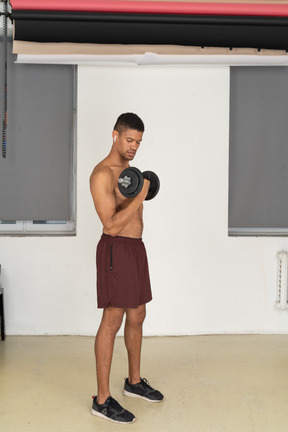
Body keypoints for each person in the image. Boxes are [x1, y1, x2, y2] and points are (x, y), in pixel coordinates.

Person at [89, 113, 164, 424]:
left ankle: (133, 381)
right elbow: (111, 225)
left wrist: (140, 190)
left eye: (138, 142)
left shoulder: (131, 172)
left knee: (138, 314)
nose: (134, 147)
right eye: (130, 140)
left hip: (136, 249)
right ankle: (102, 400)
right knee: (113, 319)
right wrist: (141, 195)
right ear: (115, 135)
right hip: (115, 250)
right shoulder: (102, 174)